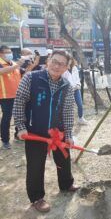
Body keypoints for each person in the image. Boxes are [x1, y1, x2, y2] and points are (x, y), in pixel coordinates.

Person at [13, 50, 79, 213]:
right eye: (54, 61)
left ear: (66, 68)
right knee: (35, 165)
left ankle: (66, 184)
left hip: (58, 131)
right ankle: (36, 197)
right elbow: (20, 101)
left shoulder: (66, 85)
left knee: (63, 159)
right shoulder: (31, 78)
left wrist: (69, 134)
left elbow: (68, 110)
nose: (57, 66)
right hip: (35, 131)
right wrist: (20, 126)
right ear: (48, 61)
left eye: (62, 64)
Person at [0, 45, 24, 149]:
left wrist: (34, 63)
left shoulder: (14, 63)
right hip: (5, 96)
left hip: (17, 95)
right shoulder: (2, 64)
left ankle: (18, 136)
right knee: (7, 118)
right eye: (7, 52)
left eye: (10, 52)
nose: (10, 54)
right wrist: (17, 65)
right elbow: (2, 71)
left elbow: (24, 73)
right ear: (1, 53)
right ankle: (5, 140)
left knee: (19, 116)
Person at [62, 58, 87, 125]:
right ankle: (66, 122)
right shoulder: (63, 69)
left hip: (76, 89)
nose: (69, 62)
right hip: (67, 90)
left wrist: (78, 84)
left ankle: (81, 118)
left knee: (80, 104)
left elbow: (77, 78)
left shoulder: (74, 68)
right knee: (68, 107)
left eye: (70, 60)